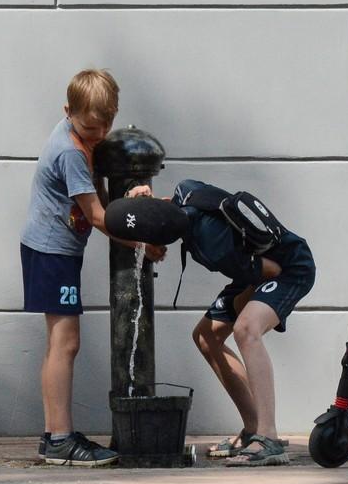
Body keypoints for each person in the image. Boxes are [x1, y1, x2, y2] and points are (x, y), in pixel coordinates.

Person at [105, 179, 316, 467]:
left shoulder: (211, 245)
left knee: (246, 329)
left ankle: (269, 438)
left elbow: (272, 270)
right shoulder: (183, 192)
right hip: (251, 268)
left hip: (290, 268)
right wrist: (139, 200)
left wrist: (245, 307)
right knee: (207, 337)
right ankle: (253, 428)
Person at [20, 68, 165, 467]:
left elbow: (100, 198)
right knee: (65, 343)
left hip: (52, 250)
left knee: (60, 343)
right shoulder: (70, 152)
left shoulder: (80, 139)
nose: (99, 136)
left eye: (106, 126)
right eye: (90, 127)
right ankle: (60, 440)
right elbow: (98, 215)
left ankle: (54, 433)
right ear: (68, 111)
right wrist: (141, 243)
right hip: (52, 253)